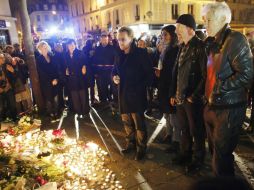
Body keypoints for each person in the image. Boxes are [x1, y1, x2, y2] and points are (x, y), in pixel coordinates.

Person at [202, 2, 253, 176]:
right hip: (212, 106)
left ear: (223, 19)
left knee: (221, 158)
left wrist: (219, 87)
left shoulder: (235, 40)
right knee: (216, 154)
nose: (205, 24)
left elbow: (247, 74)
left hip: (228, 110)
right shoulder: (212, 42)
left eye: (209, 20)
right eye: (204, 20)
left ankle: (224, 184)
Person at [170, 14, 207, 173]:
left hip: (192, 99)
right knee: (183, 128)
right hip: (181, 97)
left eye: (179, 28)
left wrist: (194, 96)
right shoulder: (182, 46)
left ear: (191, 30)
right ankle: (185, 154)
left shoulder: (200, 47)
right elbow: (177, 73)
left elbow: (206, 76)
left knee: (196, 131)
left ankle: (198, 160)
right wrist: (174, 93)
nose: (176, 31)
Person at [112, 26, 153, 161]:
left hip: (136, 95)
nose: (120, 43)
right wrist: (114, 77)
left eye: (123, 39)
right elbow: (114, 70)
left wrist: (138, 86)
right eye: (119, 40)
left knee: (139, 124)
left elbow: (149, 76)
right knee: (126, 122)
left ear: (131, 38)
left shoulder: (141, 54)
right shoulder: (119, 54)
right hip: (123, 94)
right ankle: (131, 143)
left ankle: (141, 148)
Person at [155, 25, 180, 153]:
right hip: (164, 85)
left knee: (173, 116)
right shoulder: (165, 49)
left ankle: (176, 141)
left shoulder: (175, 50)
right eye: (162, 34)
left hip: (171, 86)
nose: (163, 37)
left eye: (165, 34)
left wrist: (162, 72)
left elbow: (174, 71)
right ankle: (169, 135)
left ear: (173, 35)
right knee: (167, 114)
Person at [64, 39, 89, 118]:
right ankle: (78, 111)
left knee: (82, 94)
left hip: (80, 76)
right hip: (71, 77)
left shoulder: (80, 52)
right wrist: (66, 69)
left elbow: (85, 61)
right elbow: (64, 64)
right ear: (67, 46)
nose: (71, 46)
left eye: (72, 44)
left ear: (75, 44)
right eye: (69, 45)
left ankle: (85, 111)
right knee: (74, 95)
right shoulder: (66, 54)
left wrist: (84, 66)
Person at [36, 41, 60, 122]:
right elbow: (41, 72)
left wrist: (56, 78)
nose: (45, 49)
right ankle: (50, 113)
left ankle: (56, 112)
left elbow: (56, 68)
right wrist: (50, 81)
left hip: (55, 80)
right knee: (49, 99)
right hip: (46, 82)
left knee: (56, 98)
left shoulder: (52, 56)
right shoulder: (39, 59)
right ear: (40, 49)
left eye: (46, 47)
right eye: (43, 48)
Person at [93, 32, 117, 105]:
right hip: (101, 72)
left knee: (113, 87)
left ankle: (113, 100)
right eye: (103, 40)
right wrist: (95, 72)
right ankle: (104, 101)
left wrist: (115, 71)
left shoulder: (113, 48)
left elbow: (115, 59)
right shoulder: (97, 49)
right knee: (102, 87)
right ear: (101, 40)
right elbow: (95, 60)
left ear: (108, 40)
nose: (104, 41)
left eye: (106, 40)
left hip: (110, 71)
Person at [0, 53, 17, 123]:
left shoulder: (6, 66)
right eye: (1, 58)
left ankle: (14, 118)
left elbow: (14, 77)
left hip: (9, 88)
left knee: (12, 104)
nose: (3, 59)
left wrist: (13, 71)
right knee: (1, 107)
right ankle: (2, 120)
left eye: (3, 57)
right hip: (0, 90)